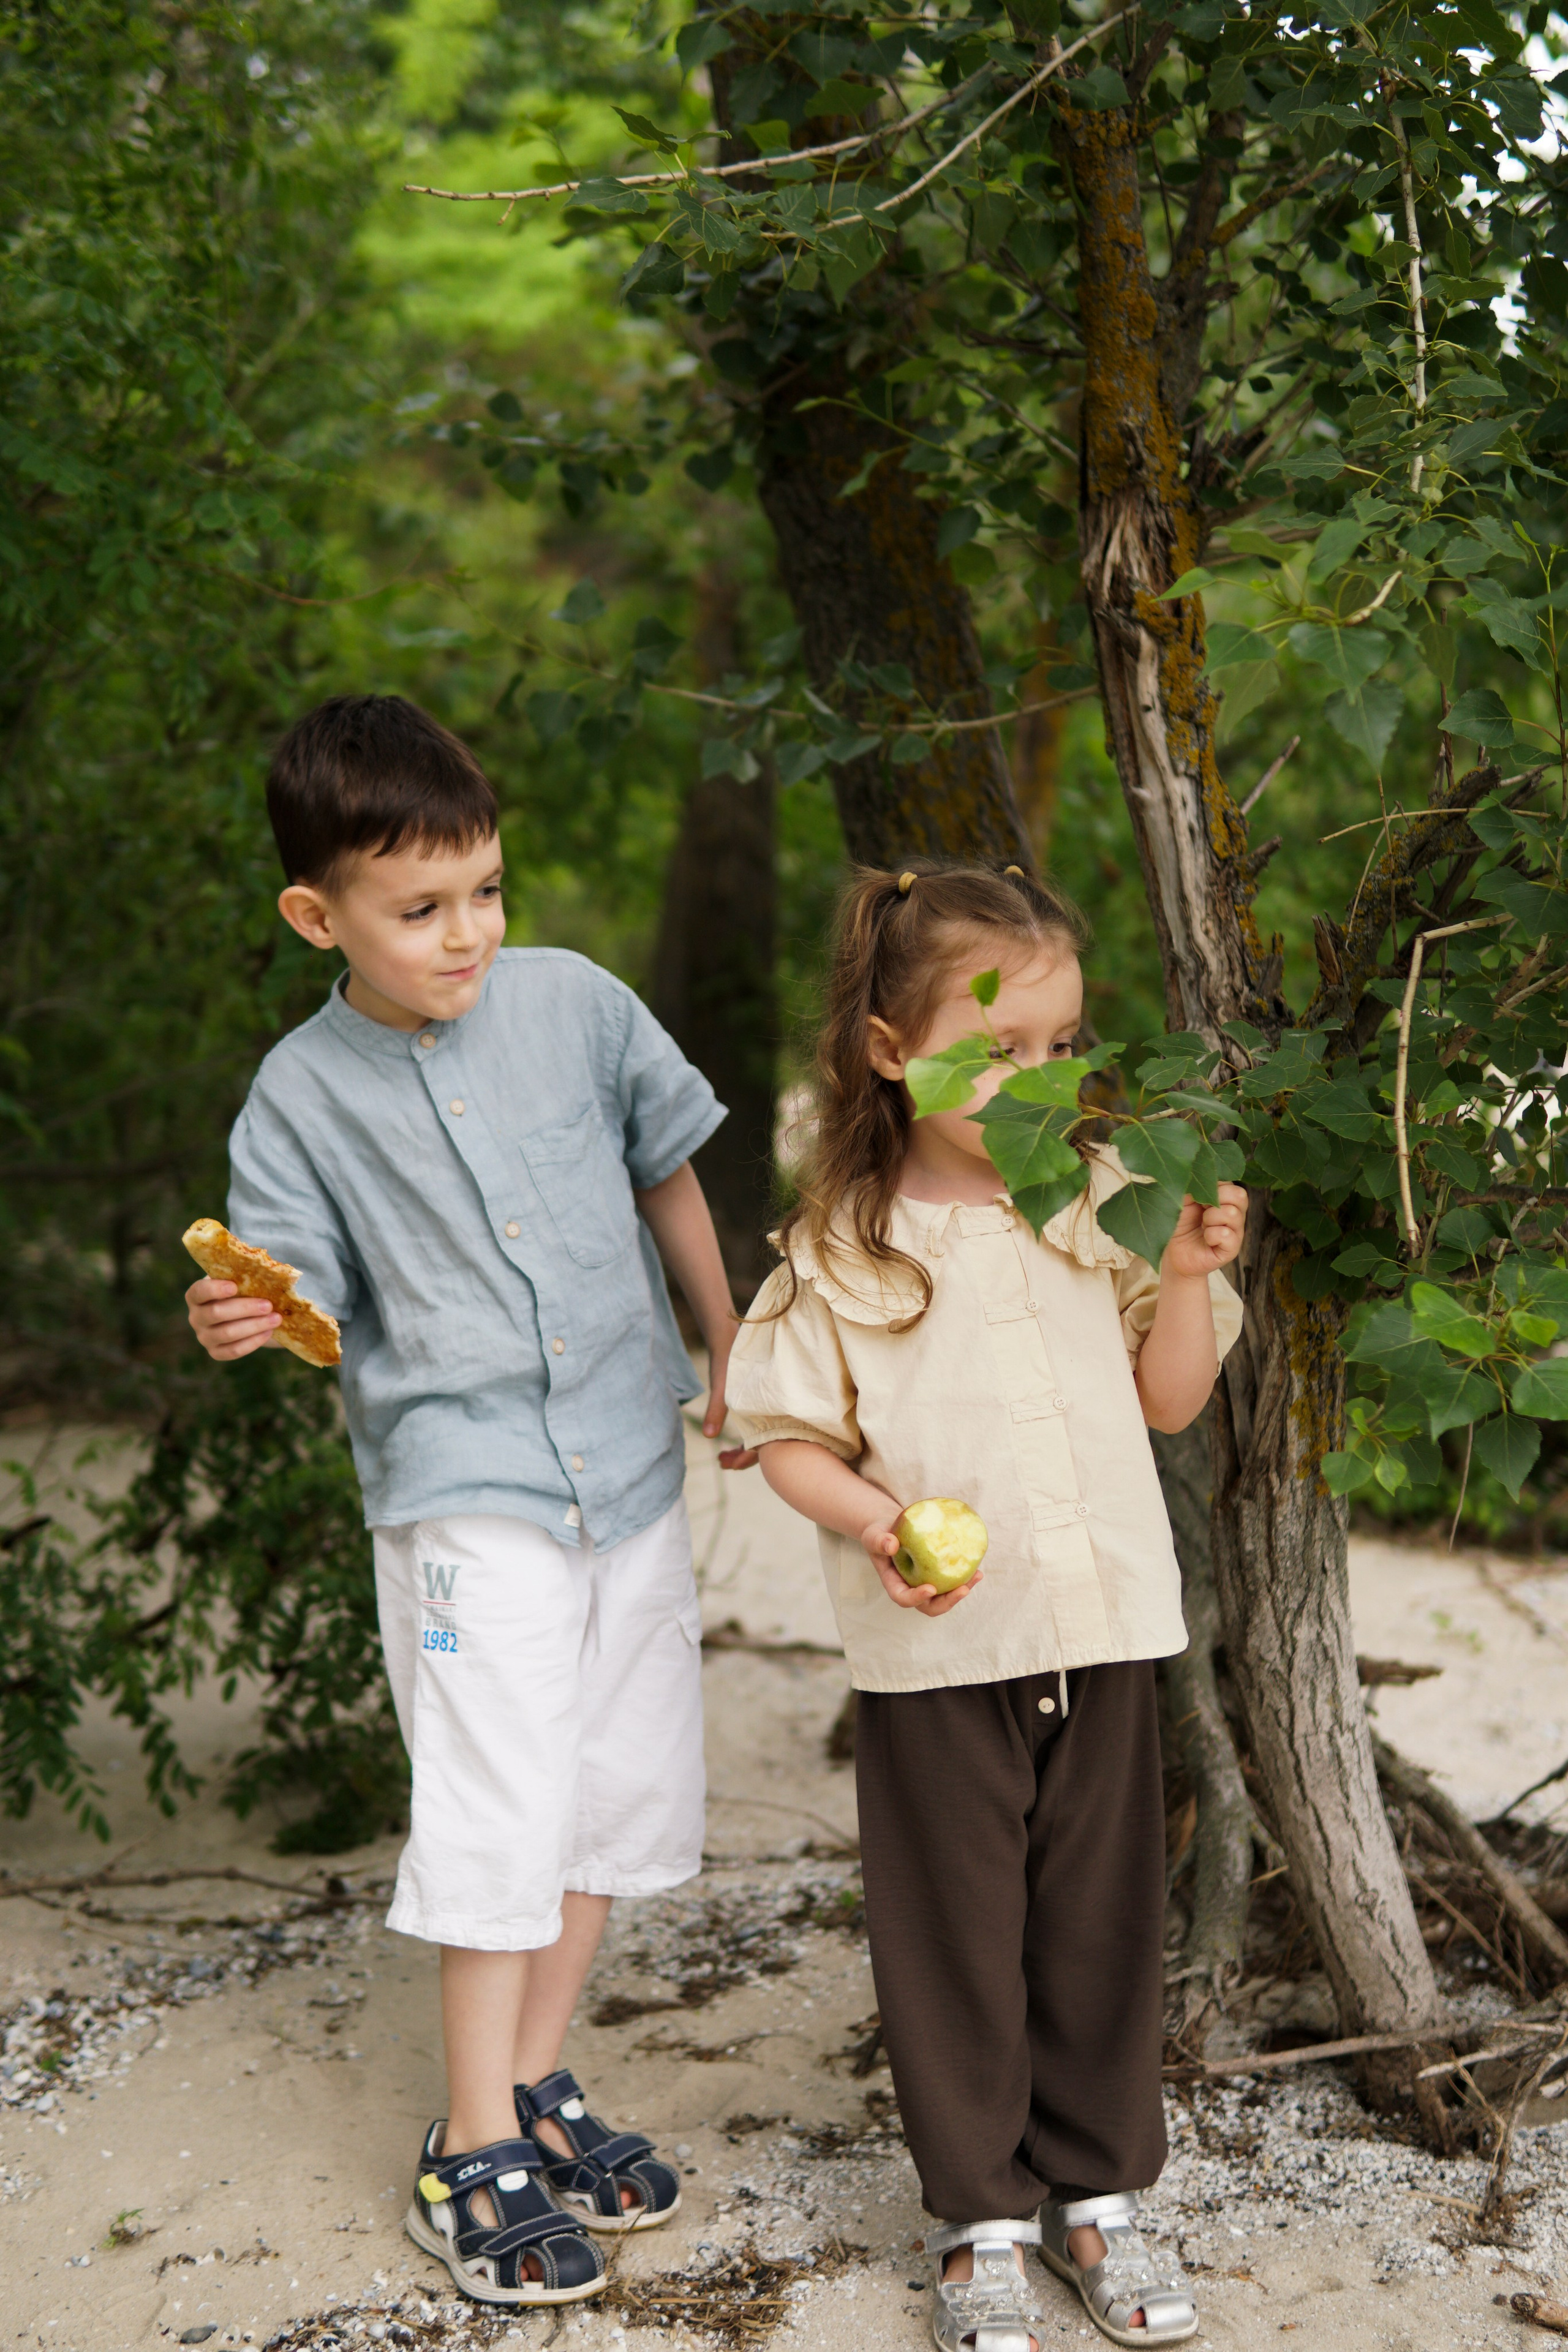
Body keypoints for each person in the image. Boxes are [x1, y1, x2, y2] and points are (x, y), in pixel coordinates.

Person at [186, 694, 739, 2310]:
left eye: (485, 890)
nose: (468, 933)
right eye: (420, 909)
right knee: (498, 1802)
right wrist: (250, 1312)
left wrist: (727, 1342)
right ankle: (471, 2145)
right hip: (466, 1494)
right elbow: (301, 1292)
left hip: (627, 1465)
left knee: (611, 1790)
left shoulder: (574, 1003)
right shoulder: (299, 1097)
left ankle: (536, 2080)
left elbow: (665, 1165)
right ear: (318, 917)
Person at [720, 862, 1246, 2351]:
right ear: (890, 1048)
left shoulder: (1101, 1198)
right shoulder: (841, 1244)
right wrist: (875, 1521)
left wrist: (1186, 1273)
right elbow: (786, 1438)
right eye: (996, 1046)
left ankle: (1097, 2196)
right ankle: (980, 2220)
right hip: (939, 1646)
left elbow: (1167, 1400)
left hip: (1105, 1626)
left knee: (1099, 1922)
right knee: (953, 1935)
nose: (1038, 1076)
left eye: (1061, 1045)